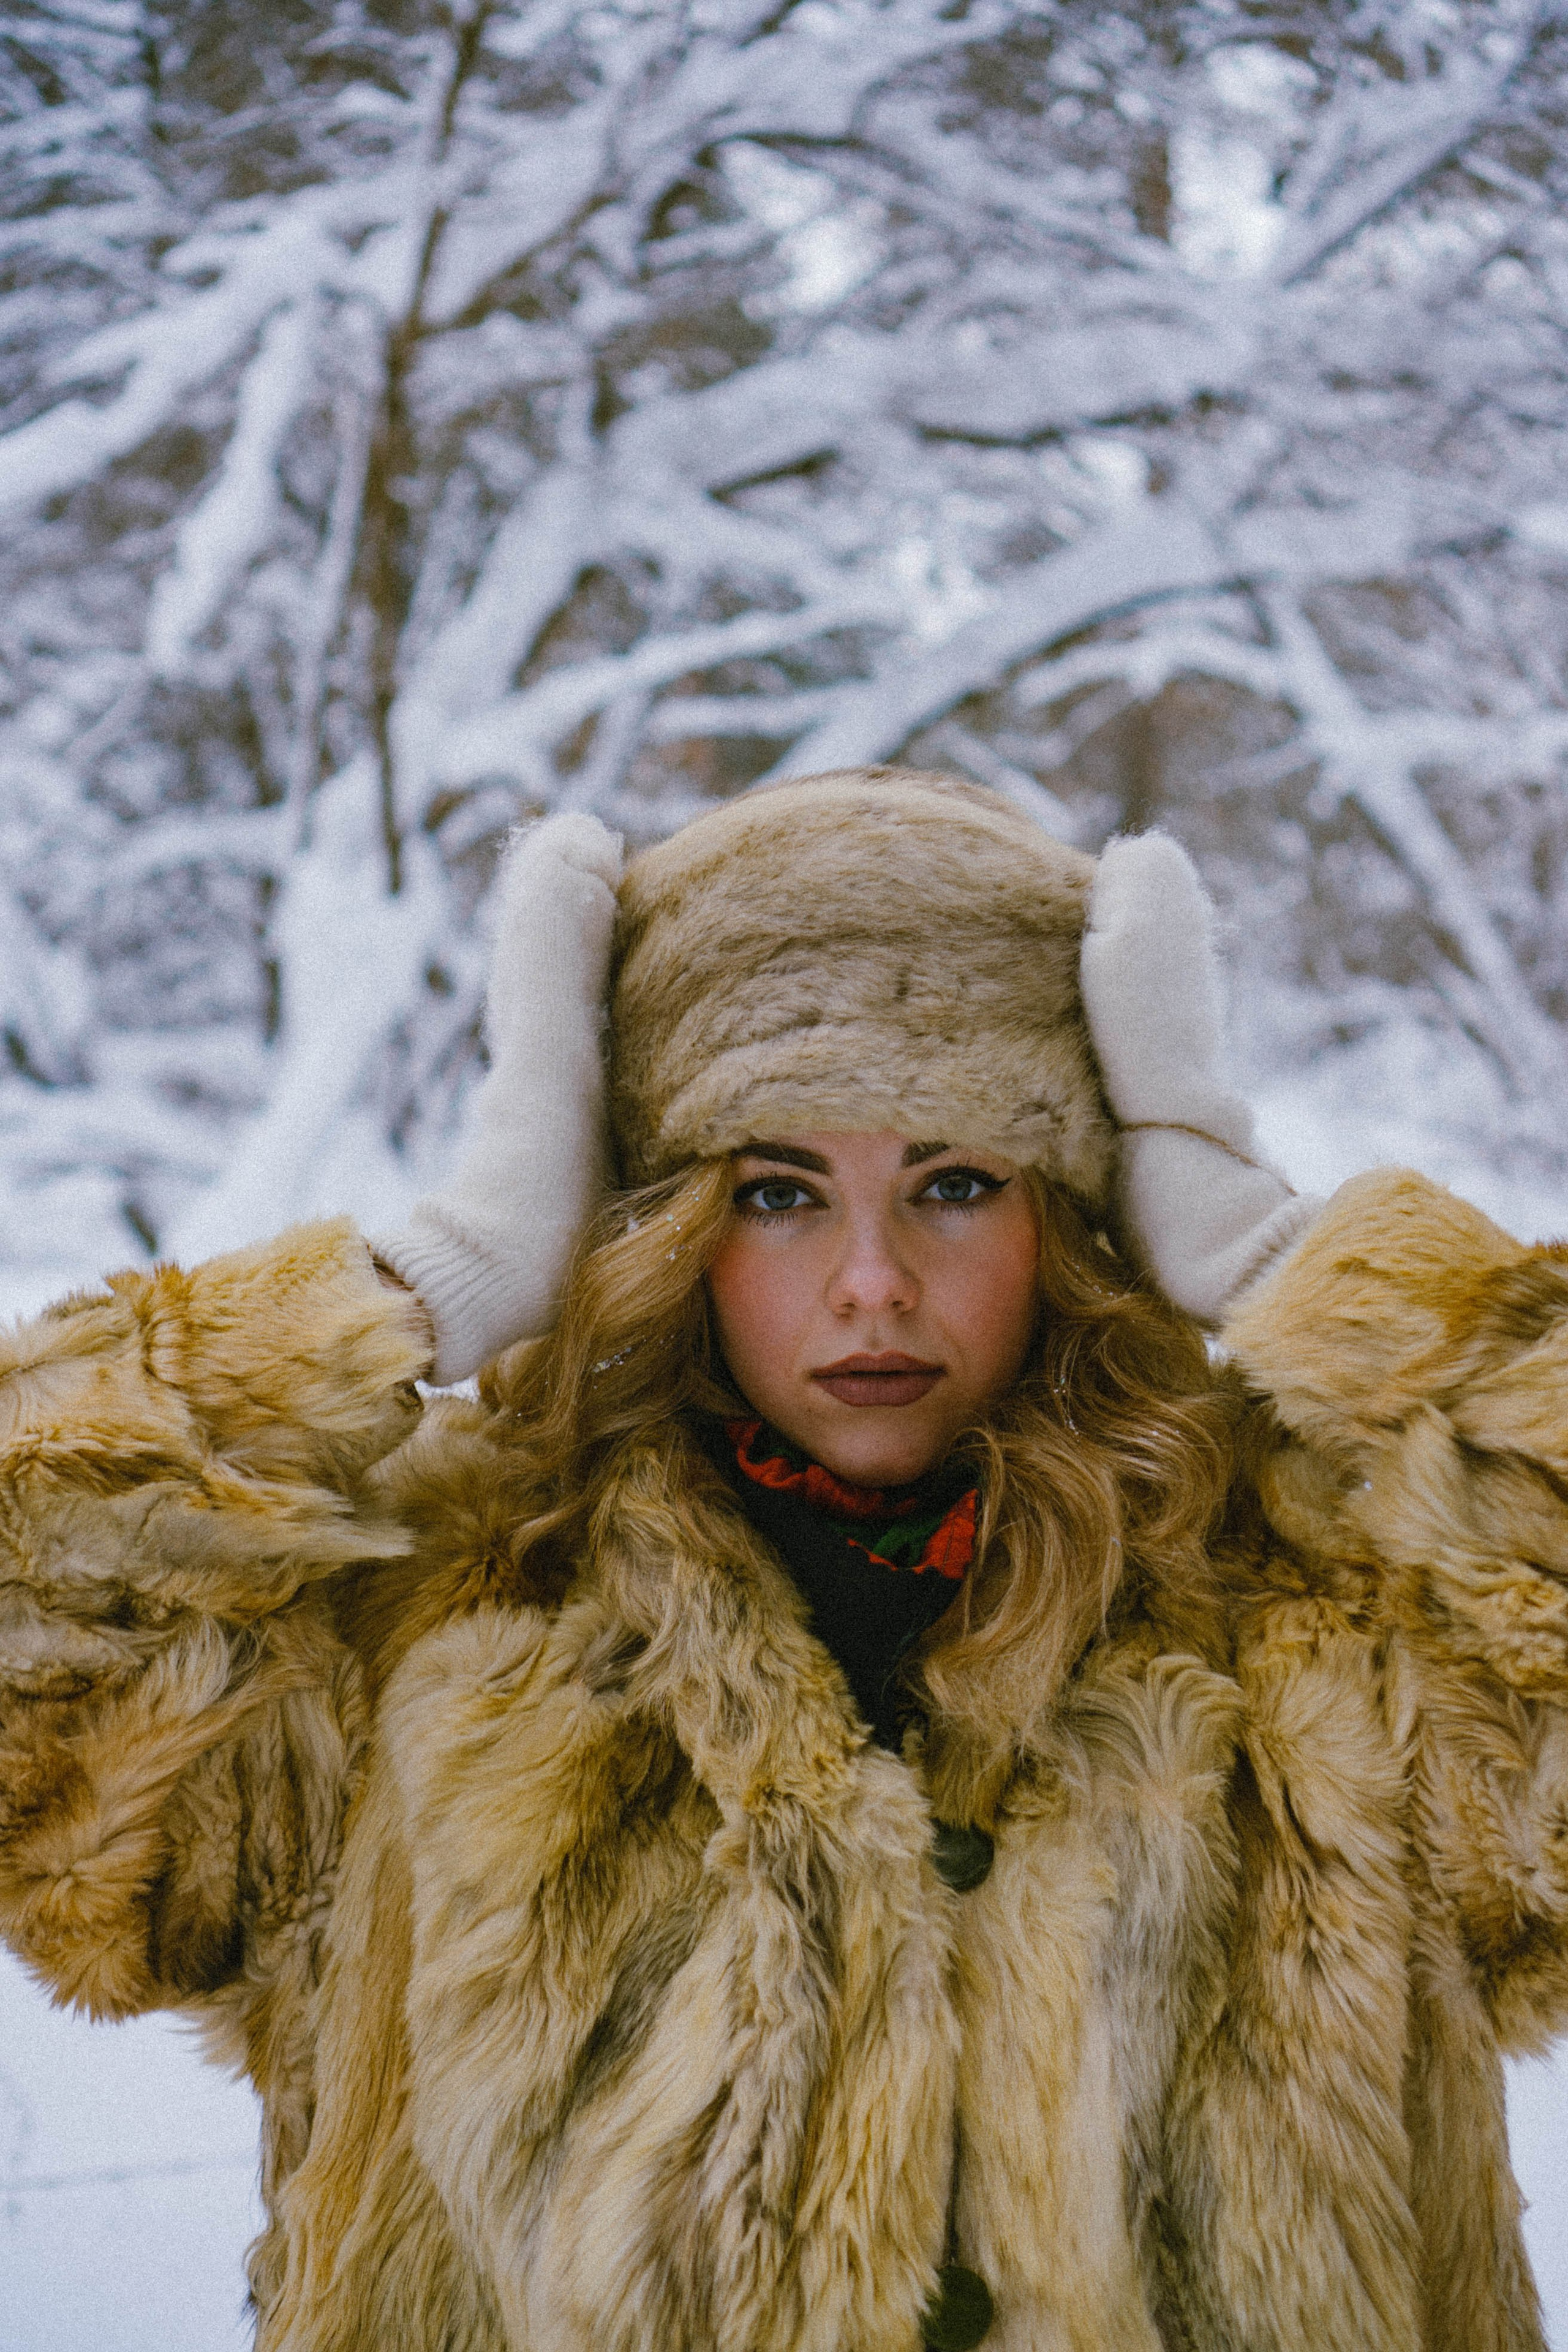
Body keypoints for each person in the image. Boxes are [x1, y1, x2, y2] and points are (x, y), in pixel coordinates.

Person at [0, 766, 1562, 2352]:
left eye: (958, 1183)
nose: (873, 1282)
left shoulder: (1322, 1609)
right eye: (777, 1194)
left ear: (1076, 1216)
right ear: (666, 1222)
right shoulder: (421, 1611)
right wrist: (425, 1280)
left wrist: (1288, 1258)